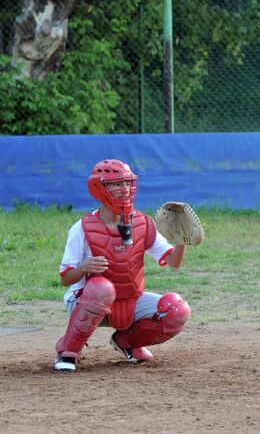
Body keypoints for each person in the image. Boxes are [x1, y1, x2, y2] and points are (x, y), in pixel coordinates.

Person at [53, 159, 192, 372]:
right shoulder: (81, 228)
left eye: (127, 183)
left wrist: (181, 241)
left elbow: (173, 262)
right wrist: (85, 267)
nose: (125, 189)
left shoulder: (143, 223)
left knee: (177, 310)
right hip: (85, 300)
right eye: (117, 184)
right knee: (101, 287)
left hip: (128, 299)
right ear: (100, 188)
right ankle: (69, 349)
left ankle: (127, 342)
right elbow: (65, 279)